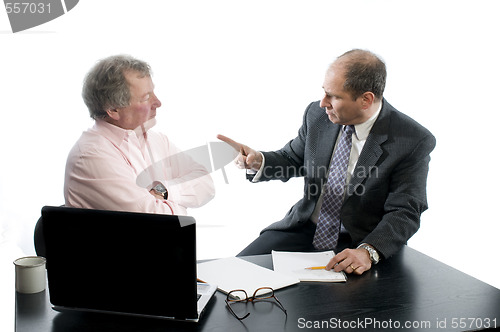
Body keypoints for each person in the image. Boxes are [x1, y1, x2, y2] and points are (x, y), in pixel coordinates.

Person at [218, 49, 436, 275]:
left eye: (334, 96)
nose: (323, 102)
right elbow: (292, 158)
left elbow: (405, 211)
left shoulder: (412, 140)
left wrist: (368, 251)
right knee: (233, 273)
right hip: (303, 228)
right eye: (324, 92)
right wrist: (258, 161)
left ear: (366, 99)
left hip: (358, 241)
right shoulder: (318, 115)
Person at [64, 55, 215, 215]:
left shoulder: (157, 140)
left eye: (153, 92)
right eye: (146, 97)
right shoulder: (91, 155)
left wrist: (163, 191)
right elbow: (157, 219)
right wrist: (181, 205)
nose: (158, 102)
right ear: (113, 109)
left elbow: (206, 184)